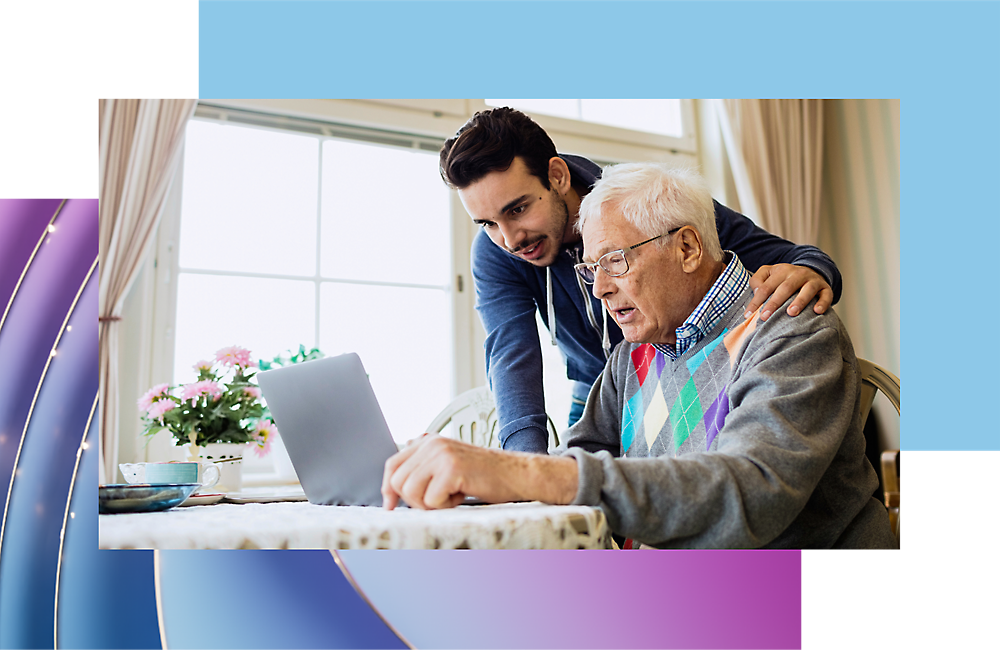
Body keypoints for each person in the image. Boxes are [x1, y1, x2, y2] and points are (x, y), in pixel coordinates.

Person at [382, 163, 896, 550]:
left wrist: (524, 474)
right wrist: (484, 482)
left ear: (689, 248)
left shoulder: (791, 330)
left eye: (615, 261)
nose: (600, 289)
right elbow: (579, 456)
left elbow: (748, 493)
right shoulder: (634, 354)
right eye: (590, 269)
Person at [439, 107, 843, 454]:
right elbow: (511, 354)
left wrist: (812, 271)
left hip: (679, 372)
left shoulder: (640, 206)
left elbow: (788, 256)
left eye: (518, 209)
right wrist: (521, 468)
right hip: (600, 389)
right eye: (488, 223)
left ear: (557, 176)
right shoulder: (496, 252)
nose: (509, 239)